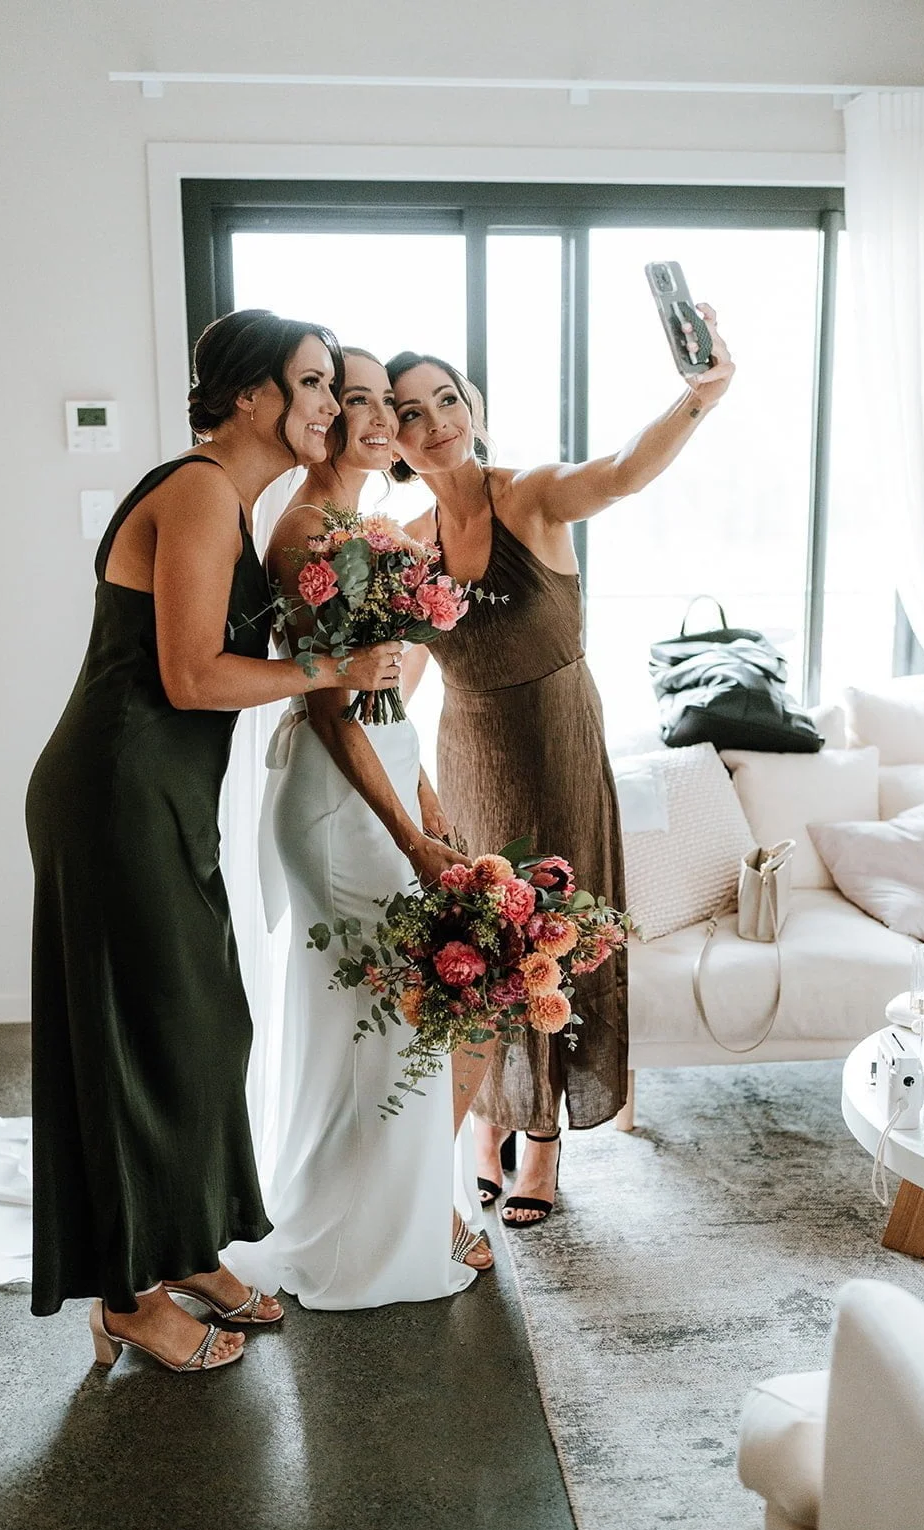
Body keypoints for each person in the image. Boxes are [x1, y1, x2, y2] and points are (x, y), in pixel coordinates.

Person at [25, 310, 402, 1372]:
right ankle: (127, 1298)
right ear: (249, 396)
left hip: (161, 791)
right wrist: (333, 670)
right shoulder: (195, 490)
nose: (330, 404)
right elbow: (192, 677)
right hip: (116, 791)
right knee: (140, 1040)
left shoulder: (234, 502)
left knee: (200, 1026)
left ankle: (186, 1246)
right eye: (313, 383)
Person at [388, 308, 735, 1226]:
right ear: (394, 439)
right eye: (410, 412)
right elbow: (402, 674)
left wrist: (697, 397)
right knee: (478, 950)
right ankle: (487, 1127)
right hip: (468, 755)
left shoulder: (531, 498)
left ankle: (541, 1144)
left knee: (555, 945)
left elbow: (622, 472)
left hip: (558, 746)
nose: (436, 422)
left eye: (446, 400)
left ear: (473, 407)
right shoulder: (407, 545)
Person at [223, 347, 492, 1312]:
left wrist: (429, 803)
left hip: (379, 779)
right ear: (325, 416)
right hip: (338, 805)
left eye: (388, 403)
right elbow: (336, 709)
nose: (381, 420)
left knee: (383, 1027)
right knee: (391, 1019)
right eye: (356, 401)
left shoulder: (367, 527)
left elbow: (383, 698)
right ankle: (362, 1239)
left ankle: (395, 1215)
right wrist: (410, 840)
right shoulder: (306, 530)